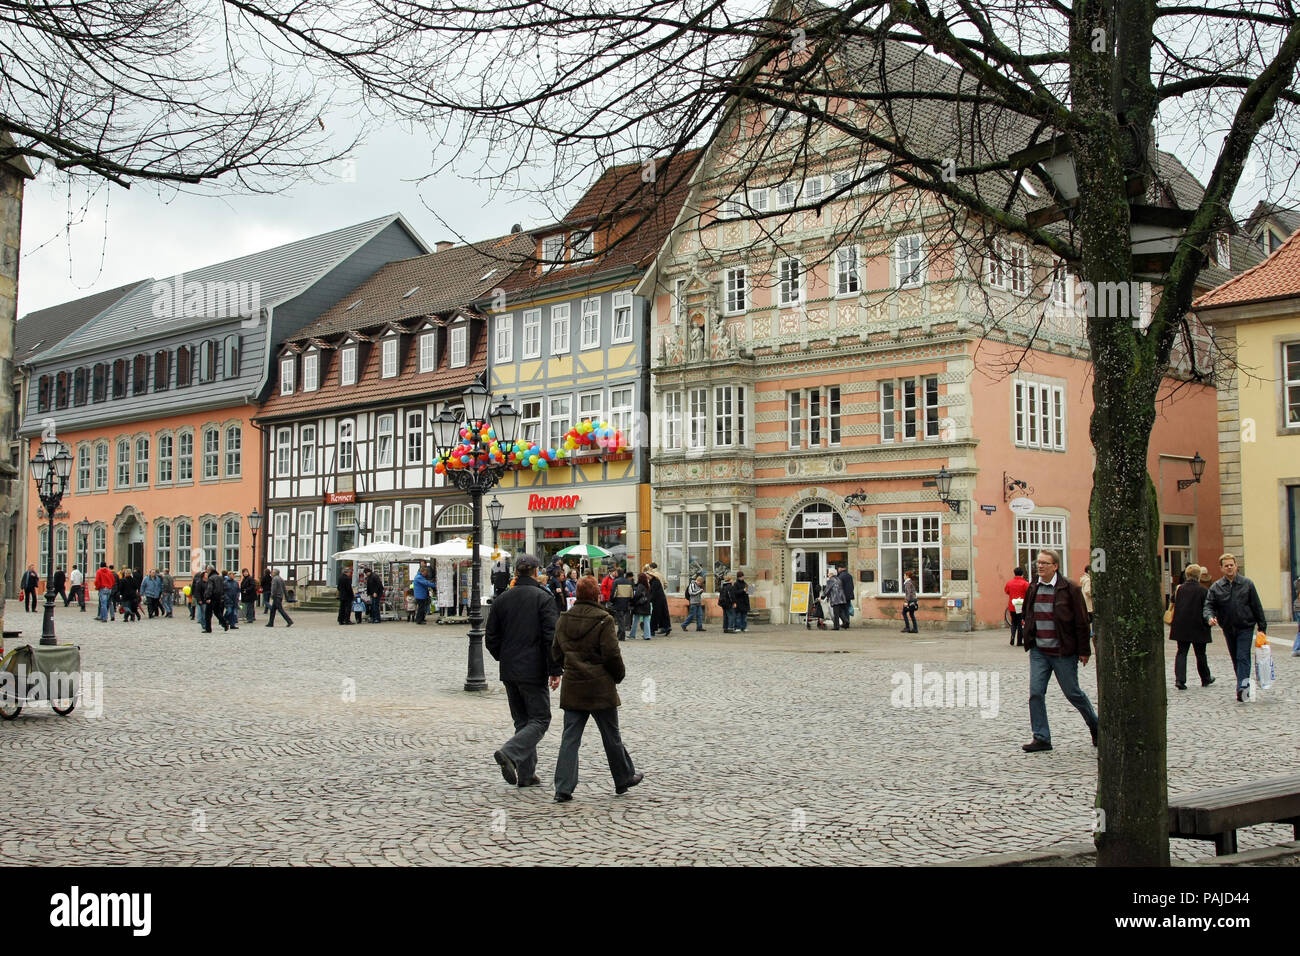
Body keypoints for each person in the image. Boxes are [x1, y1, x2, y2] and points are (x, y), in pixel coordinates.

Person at [550, 575, 643, 802]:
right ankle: (623, 778)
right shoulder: (604, 619)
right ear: (597, 595)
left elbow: (556, 652)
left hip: (574, 685)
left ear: (577, 594)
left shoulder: (564, 619)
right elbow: (612, 654)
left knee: (570, 738)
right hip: (600, 686)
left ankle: (563, 787)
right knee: (611, 735)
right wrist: (618, 675)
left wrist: (570, 666)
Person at [485, 554, 560, 789]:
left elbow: (491, 638)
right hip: (533, 669)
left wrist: (504, 657)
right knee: (540, 719)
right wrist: (555, 669)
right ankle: (510, 753)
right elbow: (551, 638)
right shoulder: (543, 598)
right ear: (536, 572)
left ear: (516, 572)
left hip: (509, 669)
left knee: (522, 721)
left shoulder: (502, 599)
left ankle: (527, 775)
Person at [1021, 549, 1098, 752]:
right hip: (1039, 651)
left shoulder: (1070, 588)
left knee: (1073, 693)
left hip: (1063, 651)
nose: (1039, 566)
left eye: (1044, 563)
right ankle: (1041, 737)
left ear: (1055, 566)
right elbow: (1028, 613)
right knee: (1036, 693)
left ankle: (1095, 725)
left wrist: (1084, 650)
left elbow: (1082, 621)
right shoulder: (1033, 587)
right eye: (1038, 563)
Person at [1203, 553, 1268, 702]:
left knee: (1242, 656)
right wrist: (1210, 617)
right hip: (1228, 627)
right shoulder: (1216, 587)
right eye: (1226, 566)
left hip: (1245, 626)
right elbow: (1208, 605)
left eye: (1231, 565)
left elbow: (1256, 605)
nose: (1229, 568)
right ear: (1221, 568)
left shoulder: (1247, 584)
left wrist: (1262, 627)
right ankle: (1242, 684)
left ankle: (1242, 689)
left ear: (1236, 566)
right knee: (1235, 658)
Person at [1169, 564, 1214, 690]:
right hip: (1198, 625)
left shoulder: (1179, 589)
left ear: (1187, 575)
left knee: (1181, 652)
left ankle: (1180, 680)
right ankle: (1205, 678)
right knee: (1200, 654)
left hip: (1181, 625)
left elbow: (1172, 601)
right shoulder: (1203, 590)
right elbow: (1208, 607)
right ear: (1199, 576)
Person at [1005, 568, 1030, 646]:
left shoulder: (1009, 583)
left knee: (1013, 622)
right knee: (1020, 623)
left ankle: (1012, 637)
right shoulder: (1025, 583)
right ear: (1022, 574)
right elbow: (1029, 593)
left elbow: (1007, 591)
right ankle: (1019, 641)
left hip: (1012, 605)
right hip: (1021, 605)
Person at [646, 565, 672, 636]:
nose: (647, 576)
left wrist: (648, 600)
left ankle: (652, 630)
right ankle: (666, 627)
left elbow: (653, 593)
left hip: (658, 600)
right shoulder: (655, 580)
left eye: (647, 575)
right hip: (661, 598)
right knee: (663, 614)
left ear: (651, 575)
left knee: (655, 615)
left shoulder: (654, 582)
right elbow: (665, 584)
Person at [611, 568, 633, 641]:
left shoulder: (616, 581)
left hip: (618, 602)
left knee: (620, 620)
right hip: (626, 602)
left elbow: (613, 592)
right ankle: (619, 634)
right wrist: (630, 601)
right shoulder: (628, 582)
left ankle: (622, 635)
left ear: (618, 573)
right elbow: (631, 593)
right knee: (622, 618)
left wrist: (612, 600)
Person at [630, 572, 653, 640]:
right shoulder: (648, 586)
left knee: (635, 621)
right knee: (646, 620)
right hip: (646, 605)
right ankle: (647, 635)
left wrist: (633, 602)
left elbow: (637, 595)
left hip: (639, 606)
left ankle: (632, 634)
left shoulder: (640, 586)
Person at [836, 565, 856, 630]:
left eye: (838, 568)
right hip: (849, 595)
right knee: (846, 609)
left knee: (841, 610)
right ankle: (847, 623)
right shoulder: (849, 575)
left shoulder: (840, 576)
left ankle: (845, 623)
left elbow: (839, 587)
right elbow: (852, 586)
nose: (838, 569)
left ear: (841, 568)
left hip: (843, 596)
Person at [901, 569, 918, 633]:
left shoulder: (907, 583)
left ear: (907, 576)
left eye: (904, 575)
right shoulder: (911, 582)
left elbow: (908, 593)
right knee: (911, 614)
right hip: (914, 600)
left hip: (910, 601)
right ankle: (915, 629)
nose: (903, 576)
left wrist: (906, 602)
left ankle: (907, 627)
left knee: (904, 612)